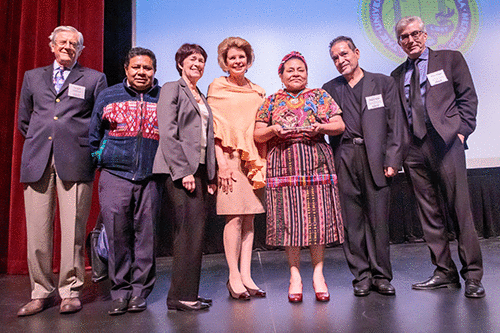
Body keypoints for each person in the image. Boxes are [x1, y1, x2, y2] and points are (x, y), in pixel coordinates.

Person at [16, 26, 108, 316]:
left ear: (81, 50)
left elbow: (100, 123)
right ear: (52, 46)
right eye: (63, 42)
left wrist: (88, 152)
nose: (68, 47)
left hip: (77, 160)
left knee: (73, 232)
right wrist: (42, 141)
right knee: (38, 231)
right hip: (38, 159)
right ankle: (40, 291)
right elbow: (24, 119)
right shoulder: (32, 77)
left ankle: (70, 291)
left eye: (74, 44)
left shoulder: (95, 79)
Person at [391, 16, 485, 298]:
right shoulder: (397, 75)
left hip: (446, 143)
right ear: (399, 42)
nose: (411, 40)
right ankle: (444, 271)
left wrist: (462, 133)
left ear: (425, 34)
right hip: (414, 150)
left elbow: (467, 97)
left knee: (460, 211)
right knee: (429, 214)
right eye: (405, 37)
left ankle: (472, 275)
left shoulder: (450, 59)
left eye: (415, 33)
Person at [254, 51, 345, 303]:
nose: (296, 74)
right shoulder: (271, 100)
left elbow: (339, 125)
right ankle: (294, 275)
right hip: (283, 164)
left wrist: (322, 127)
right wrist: (273, 129)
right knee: (289, 222)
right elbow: (258, 134)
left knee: (319, 220)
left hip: (316, 162)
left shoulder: (320, 96)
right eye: (290, 70)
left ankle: (318, 275)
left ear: (307, 73)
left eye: (300, 70)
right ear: (281, 75)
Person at [322, 36, 404, 297]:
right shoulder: (329, 88)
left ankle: (381, 275)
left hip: (376, 158)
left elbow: (396, 124)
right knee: (352, 221)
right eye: (335, 58)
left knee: (378, 220)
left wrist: (393, 159)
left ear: (357, 53)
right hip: (345, 156)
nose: (340, 60)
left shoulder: (382, 82)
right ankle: (361, 275)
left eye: (344, 54)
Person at [89, 47, 161, 315]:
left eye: (147, 68)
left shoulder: (162, 97)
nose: (142, 72)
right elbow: (93, 134)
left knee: (147, 237)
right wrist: (101, 159)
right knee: (117, 235)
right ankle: (120, 291)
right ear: (126, 69)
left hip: (151, 177)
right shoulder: (108, 95)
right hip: (114, 175)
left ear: (154, 71)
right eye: (137, 68)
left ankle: (140, 292)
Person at [153, 43, 216, 311]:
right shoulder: (171, 88)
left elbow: (206, 138)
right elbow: (167, 133)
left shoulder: (200, 94)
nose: (197, 64)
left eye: (201, 60)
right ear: (180, 63)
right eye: (192, 59)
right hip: (180, 171)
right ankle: (179, 297)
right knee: (187, 234)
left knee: (195, 233)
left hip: (199, 170)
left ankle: (188, 292)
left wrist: (210, 174)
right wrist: (183, 172)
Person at [207, 37, 267, 300]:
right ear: (225, 62)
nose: (238, 61)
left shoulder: (258, 91)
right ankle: (233, 276)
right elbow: (213, 131)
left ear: (248, 60)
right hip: (229, 160)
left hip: (253, 161)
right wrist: (221, 164)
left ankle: (246, 274)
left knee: (250, 217)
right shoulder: (217, 87)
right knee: (233, 217)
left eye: (242, 57)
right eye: (232, 58)